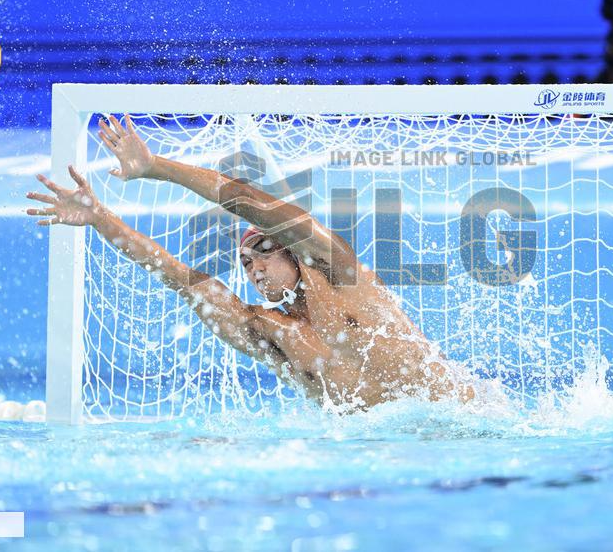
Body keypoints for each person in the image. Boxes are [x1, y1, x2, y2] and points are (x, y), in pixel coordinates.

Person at [26, 115, 475, 412]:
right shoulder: (269, 331)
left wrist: (157, 167)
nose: (254, 268)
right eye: (243, 262)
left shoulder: (341, 274)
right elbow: (183, 280)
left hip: (465, 429)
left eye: (264, 251)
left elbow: (251, 203)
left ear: (293, 251)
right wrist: (100, 218)